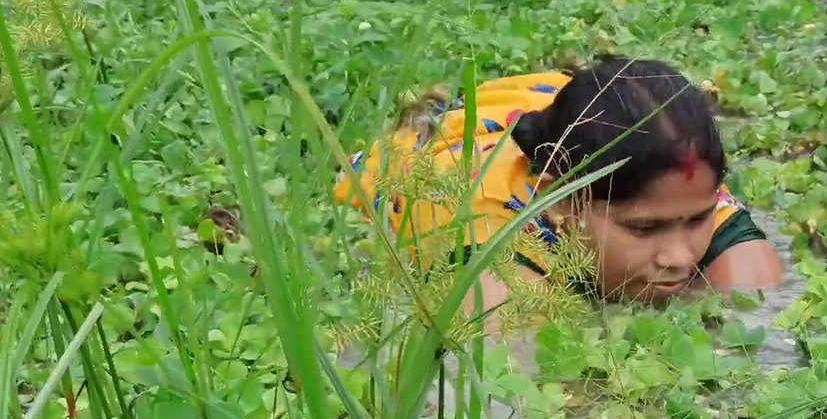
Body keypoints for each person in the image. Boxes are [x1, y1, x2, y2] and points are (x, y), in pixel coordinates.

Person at [331, 55, 784, 325]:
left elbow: (760, 305)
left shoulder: (678, 184)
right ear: (562, 200)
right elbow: (512, 377)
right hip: (450, 150)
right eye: (645, 229)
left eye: (698, 219)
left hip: (542, 105)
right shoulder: (493, 257)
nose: (680, 257)